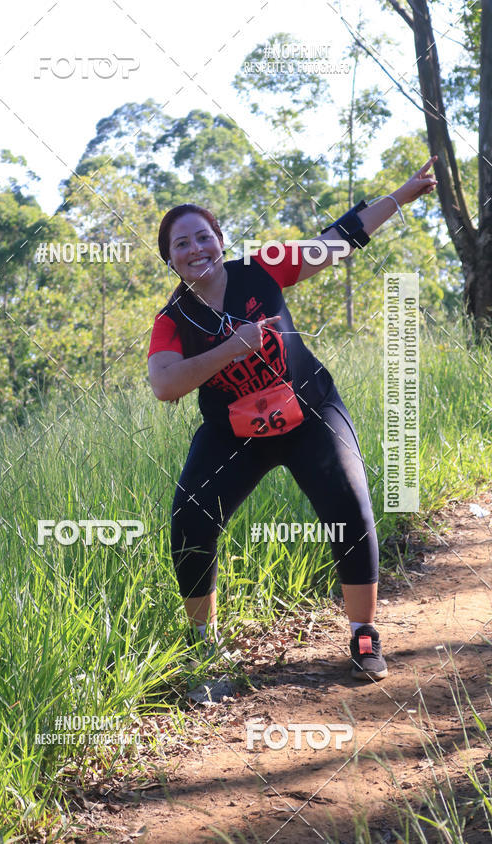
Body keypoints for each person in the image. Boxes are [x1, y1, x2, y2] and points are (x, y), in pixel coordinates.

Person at [147, 157, 438, 682]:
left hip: (309, 410)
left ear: (220, 239)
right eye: (181, 245)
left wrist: (401, 195)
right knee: (190, 518)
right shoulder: (172, 320)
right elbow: (165, 385)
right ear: (170, 259)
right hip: (236, 433)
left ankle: (363, 632)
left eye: (203, 237)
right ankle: (201, 643)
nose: (195, 250)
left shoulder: (261, 267)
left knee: (347, 501)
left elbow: (337, 240)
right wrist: (230, 350)